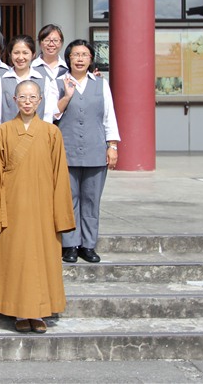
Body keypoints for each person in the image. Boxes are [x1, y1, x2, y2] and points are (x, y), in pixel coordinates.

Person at [0, 80, 75, 334]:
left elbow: (60, 175)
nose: (27, 102)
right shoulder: (3, 131)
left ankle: (39, 311)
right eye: (22, 97)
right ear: (14, 100)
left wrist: (60, 214)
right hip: (12, 206)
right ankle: (19, 312)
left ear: (40, 101)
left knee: (41, 258)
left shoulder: (51, 133)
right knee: (16, 258)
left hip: (43, 206)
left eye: (32, 97)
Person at [56, 40, 120, 264]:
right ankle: (70, 245)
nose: (80, 59)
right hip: (67, 149)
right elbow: (51, 114)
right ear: (68, 58)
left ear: (91, 59)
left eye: (84, 55)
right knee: (69, 199)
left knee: (91, 199)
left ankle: (88, 244)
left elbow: (109, 116)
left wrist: (112, 146)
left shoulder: (101, 84)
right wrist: (66, 96)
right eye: (75, 55)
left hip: (95, 149)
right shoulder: (58, 82)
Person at [0, 34, 58, 137]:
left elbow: (48, 114)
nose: (20, 57)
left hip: (38, 137)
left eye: (25, 53)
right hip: (8, 136)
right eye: (16, 53)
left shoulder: (44, 80)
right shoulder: (0, 80)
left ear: (33, 54)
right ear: (10, 54)